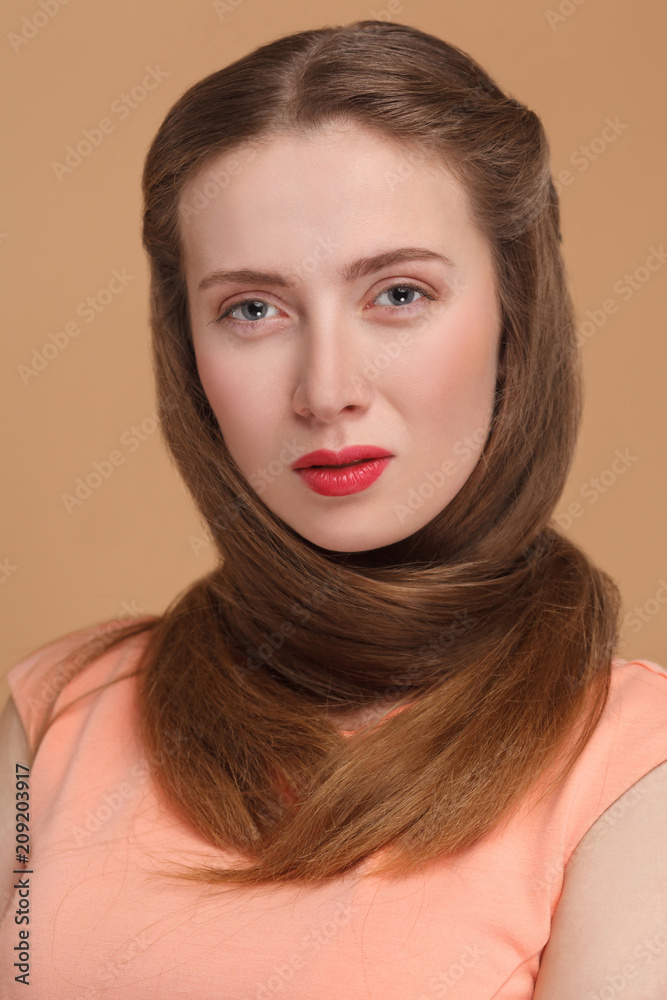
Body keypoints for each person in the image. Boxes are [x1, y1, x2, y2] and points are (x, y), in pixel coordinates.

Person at [1, 19, 666, 999]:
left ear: (513, 316)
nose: (326, 388)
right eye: (253, 309)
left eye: (397, 293)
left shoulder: (629, 769)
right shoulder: (49, 715)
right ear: (187, 350)